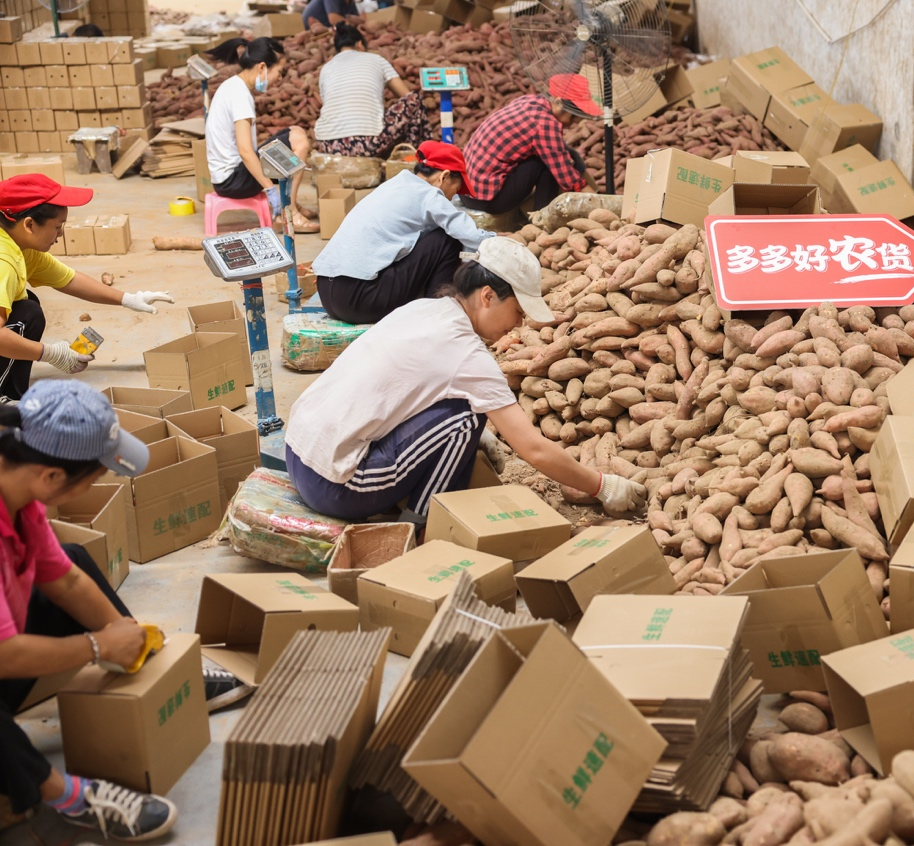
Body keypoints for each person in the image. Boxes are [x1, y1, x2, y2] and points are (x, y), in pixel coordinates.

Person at [0, 381, 248, 841]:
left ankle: (154, 663)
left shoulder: (20, 487)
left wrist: (127, 635)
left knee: (73, 560)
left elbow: (66, 580)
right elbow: (5, 655)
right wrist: (96, 646)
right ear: (53, 476)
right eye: (95, 476)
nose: (101, 482)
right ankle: (64, 798)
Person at [286, 237, 647, 524]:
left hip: (298, 454)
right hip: (336, 484)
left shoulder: (423, 308)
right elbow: (533, 448)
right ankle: (426, 526)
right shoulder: (468, 354)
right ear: (488, 296)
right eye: (518, 311)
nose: (520, 325)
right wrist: (602, 486)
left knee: (466, 414)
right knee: (464, 419)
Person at [0, 175, 174, 402]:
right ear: (30, 224)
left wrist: (129, 299)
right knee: (27, 314)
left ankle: (10, 392)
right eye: (57, 227)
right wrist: (49, 353)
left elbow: (68, 280)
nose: (60, 235)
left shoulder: (20, 245)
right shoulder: (3, 261)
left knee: (26, 304)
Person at [313, 140, 492, 325]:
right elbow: (471, 236)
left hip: (328, 294)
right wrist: (502, 242)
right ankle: (437, 318)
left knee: (436, 239)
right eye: (454, 190)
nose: (452, 198)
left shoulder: (394, 186)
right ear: (444, 177)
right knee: (447, 239)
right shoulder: (429, 194)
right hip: (360, 301)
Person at [203, 37, 318, 233]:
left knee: (294, 132)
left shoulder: (233, 86)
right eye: (279, 72)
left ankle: (290, 203)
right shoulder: (239, 95)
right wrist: (270, 190)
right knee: (298, 139)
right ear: (263, 67)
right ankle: (287, 210)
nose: (280, 79)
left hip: (229, 177)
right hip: (233, 181)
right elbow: (246, 151)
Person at [461, 74, 595, 215]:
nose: (573, 124)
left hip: (466, 192)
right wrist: (597, 201)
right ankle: (542, 217)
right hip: (487, 201)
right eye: (573, 117)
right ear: (559, 102)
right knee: (548, 164)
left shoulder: (529, 101)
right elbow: (568, 179)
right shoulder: (545, 125)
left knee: (555, 155)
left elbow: (558, 150)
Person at [312, 23, 430, 160]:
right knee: (415, 99)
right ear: (360, 44)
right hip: (367, 144)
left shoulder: (326, 68)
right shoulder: (377, 60)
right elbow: (406, 96)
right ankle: (410, 159)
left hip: (329, 145)